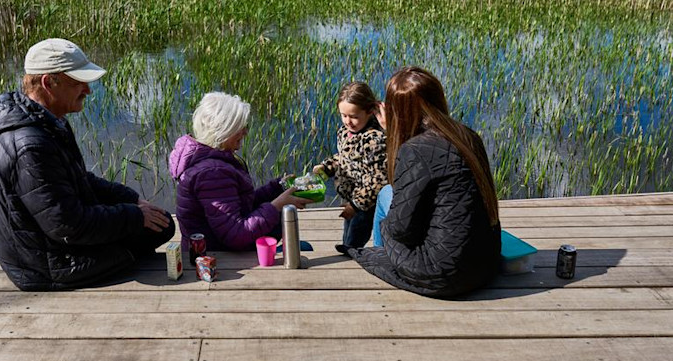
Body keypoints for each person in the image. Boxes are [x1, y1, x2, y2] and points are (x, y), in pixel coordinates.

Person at [0, 38, 175, 291]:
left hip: (51, 245)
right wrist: (133, 217)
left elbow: (79, 178)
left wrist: (132, 200)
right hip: (44, 266)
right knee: (159, 228)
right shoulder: (29, 144)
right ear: (49, 82)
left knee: (159, 223)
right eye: (78, 83)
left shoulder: (47, 121)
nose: (88, 90)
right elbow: (67, 225)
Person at [350, 66, 501, 298]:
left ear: (399, 112)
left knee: (385, 196)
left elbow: (401, 230)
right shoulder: (468, 135)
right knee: (392, 194)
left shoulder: (414, 150)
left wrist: (394, 135)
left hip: (443, 275)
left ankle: (380, 252)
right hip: (483, 264)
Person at [169, 92, 314, 251]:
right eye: (240, 127)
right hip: (217, 255)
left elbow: (239, 203)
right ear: (223, 130)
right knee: (293, 234)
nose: (245, 132)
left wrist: (276, 187)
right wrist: (277, 205)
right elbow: (236, 235)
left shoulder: (209, 160)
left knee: (292, 234)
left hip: (215, 243)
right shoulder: (212, 173)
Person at [312, 81, 387, 253]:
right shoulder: (346, 132)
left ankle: (352, 254)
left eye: (353, 116)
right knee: (348, 230)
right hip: (349, 196)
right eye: (343, 115)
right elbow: (344, 157)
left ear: (370, 111)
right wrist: (327, 167)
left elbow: (378, 181)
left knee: (356, 234)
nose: (348, 121)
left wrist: (355, 205)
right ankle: (348, 248)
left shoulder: (374, 140)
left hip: (365, 203)